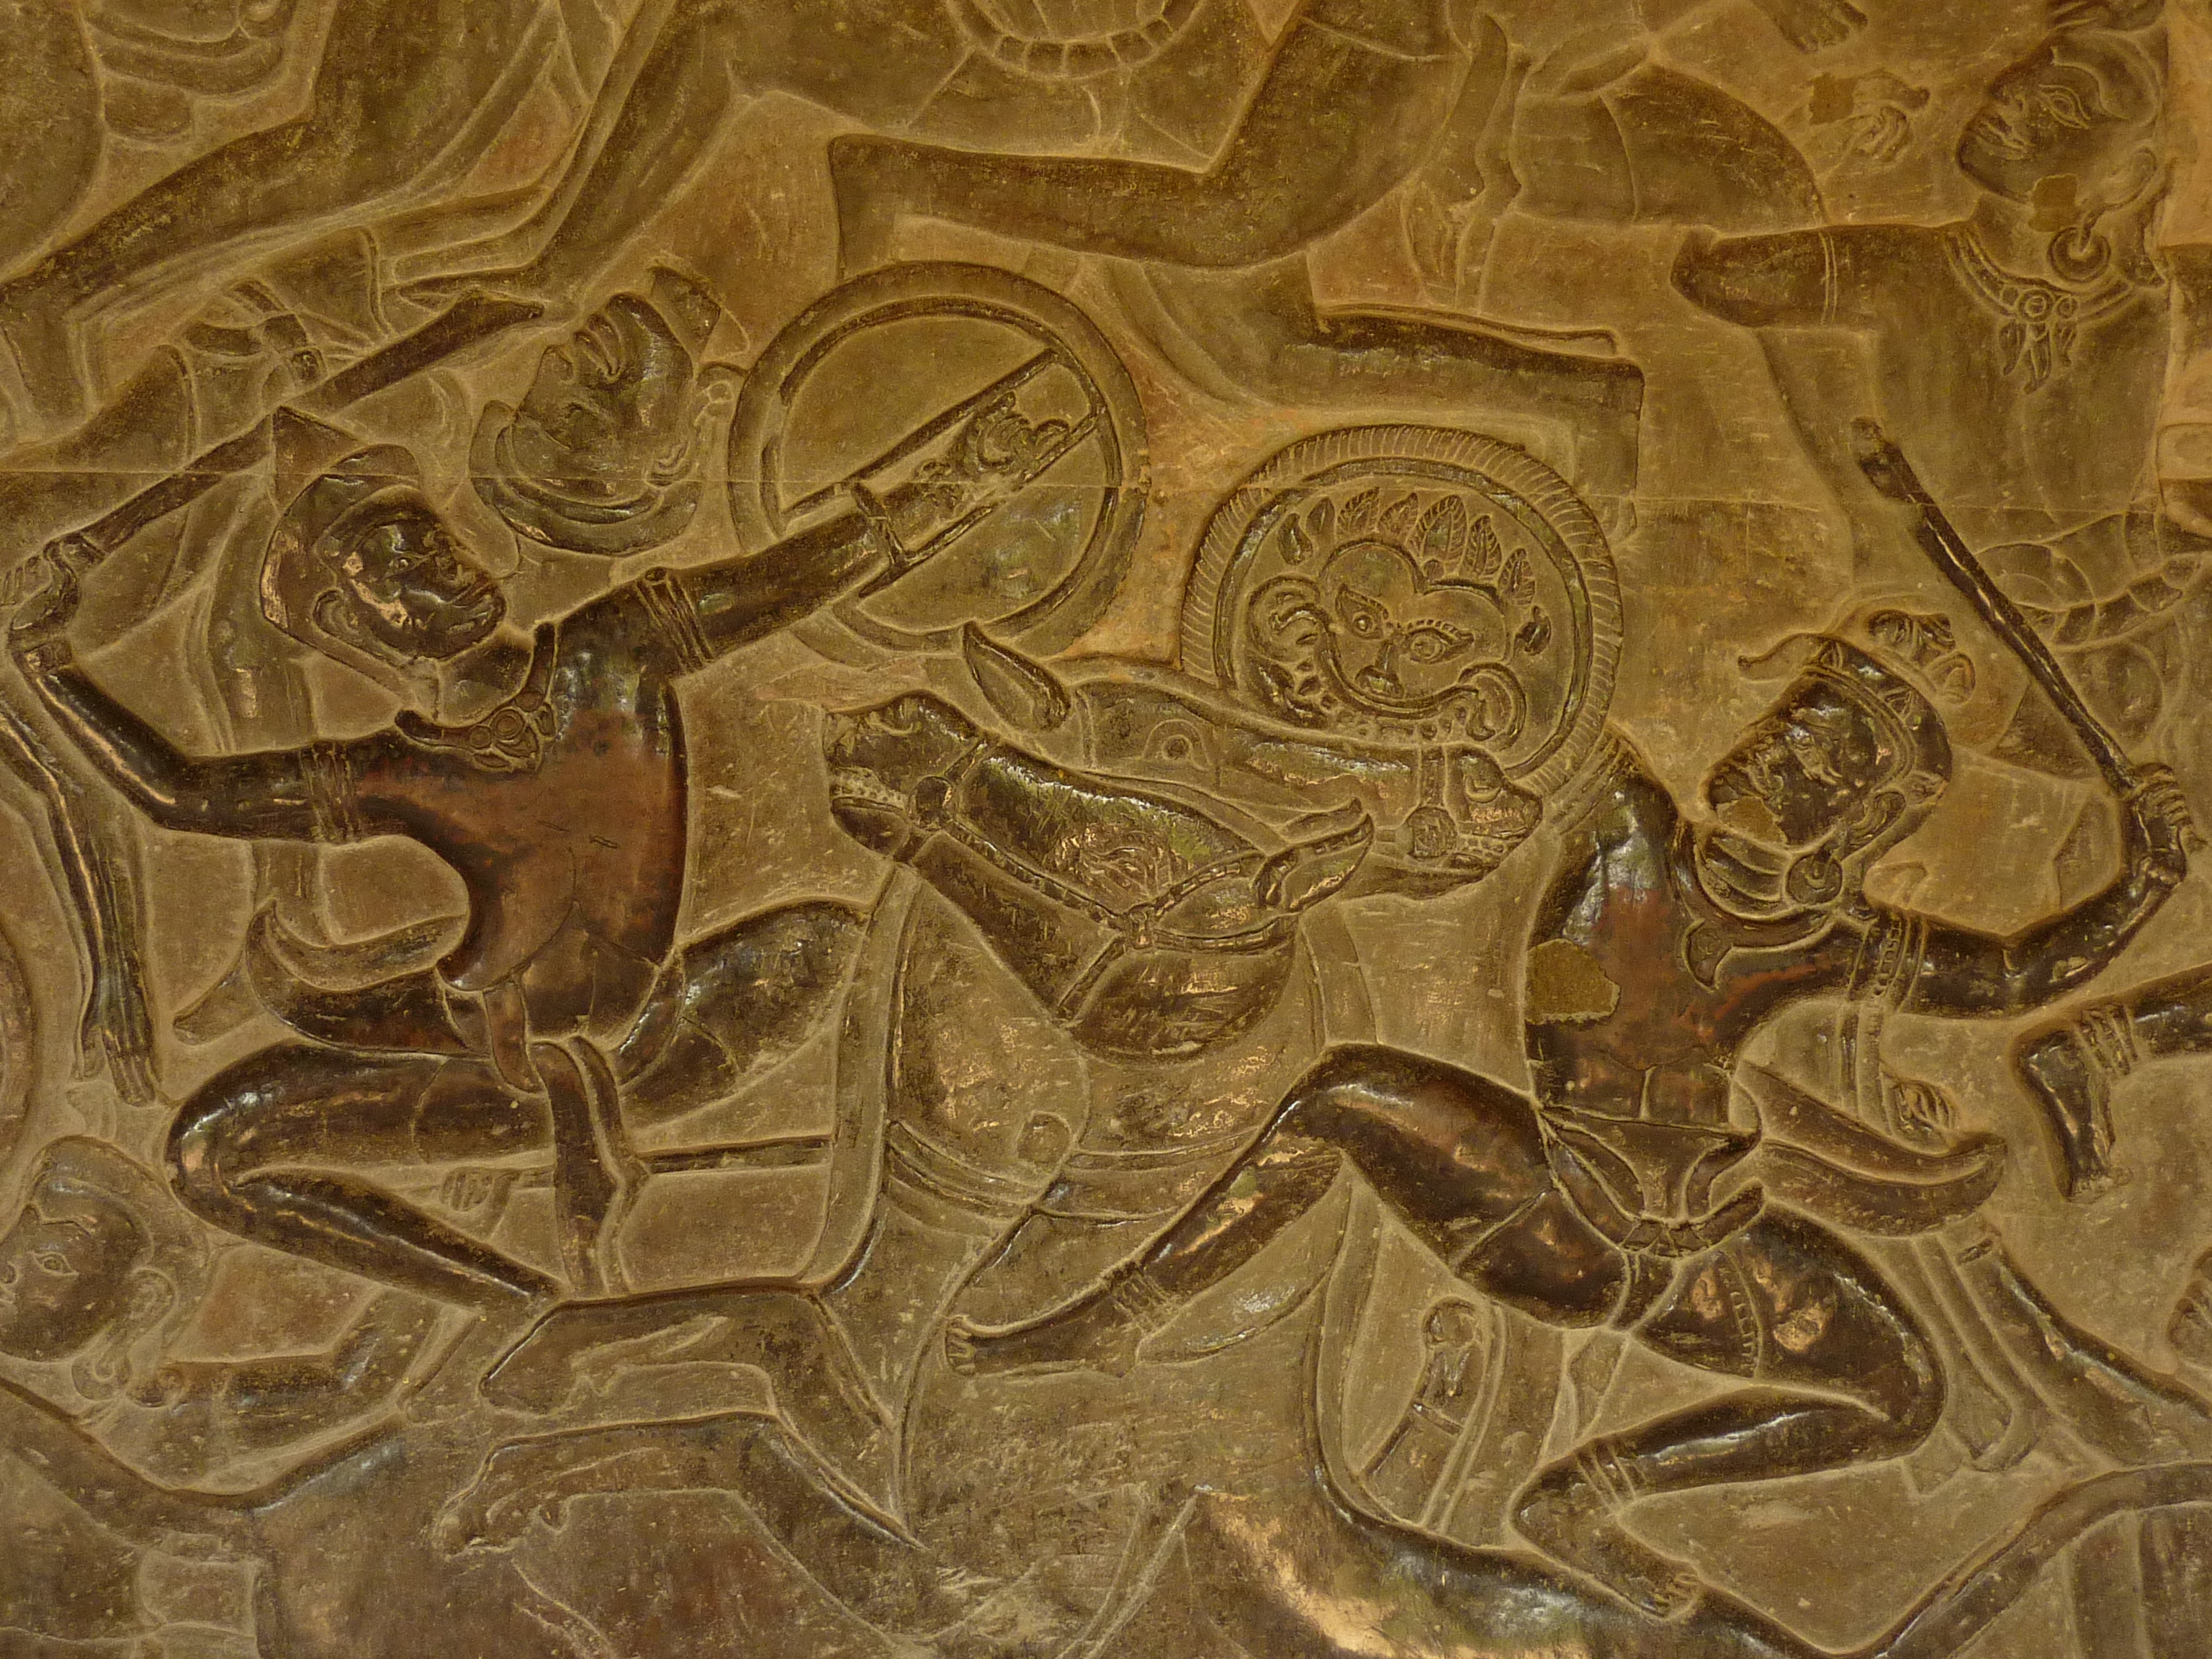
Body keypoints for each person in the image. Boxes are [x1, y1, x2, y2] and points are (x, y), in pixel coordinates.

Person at [941, 600, 2195, 1617]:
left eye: (1821, 757)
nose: (1779, 751)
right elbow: (1537, 700)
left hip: (1702, 1262)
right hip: (1542, 1204)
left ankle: (1587, 1496)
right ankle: (1115, 1318)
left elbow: (2013, 979)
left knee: (1904, 1392)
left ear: (1858, 820)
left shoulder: (1826, 942)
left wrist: (2145, 882)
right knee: (1344, 1094)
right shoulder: (1626, 821)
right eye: (1792, 719)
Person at [5, 385, 1053, 1316]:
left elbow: (779, 582)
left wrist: (949, 491)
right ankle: (524, 1307)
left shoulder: (609, 652)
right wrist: (48, 667)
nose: (440, 562)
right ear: (349, 625)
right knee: (206, 1154)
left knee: (830, 938)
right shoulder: (395, 771)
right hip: (493, 1064)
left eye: (432, 537)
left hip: (669, 1024)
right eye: (397, 565)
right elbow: (180, 794)